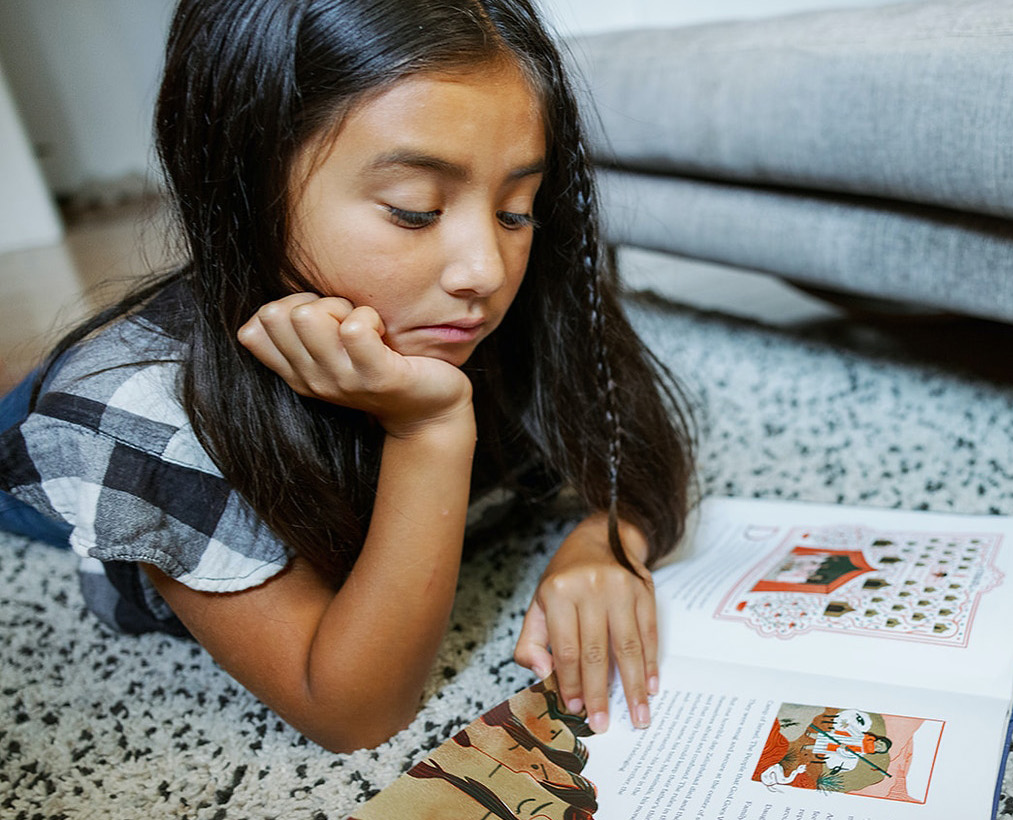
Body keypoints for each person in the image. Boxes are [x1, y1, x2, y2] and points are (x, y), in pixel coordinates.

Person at [0, 0, 693, 754]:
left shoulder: (500, 294)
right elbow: (354, 711)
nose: (484, 271)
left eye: (516, 210)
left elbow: (641, 437)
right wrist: (427, 429)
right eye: (415, 211)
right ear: (242, 180)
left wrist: (605, 539)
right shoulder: (139, 412)